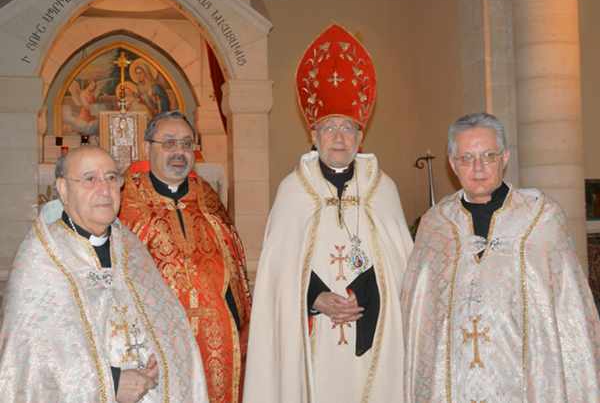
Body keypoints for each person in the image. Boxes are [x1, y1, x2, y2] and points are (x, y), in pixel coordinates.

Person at [243, 24, 414, 403]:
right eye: (329, 127)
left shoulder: (383, 190)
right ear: (313, 135)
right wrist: (315, 297)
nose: (339, 137)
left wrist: (364, 293)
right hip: (314, 336)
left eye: (348, 128)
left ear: (360, 137)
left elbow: (401, 270)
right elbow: (279, 275)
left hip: (374, 334)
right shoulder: (292, 191)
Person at [401, 112, 600, 402]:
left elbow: (571, 309)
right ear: (452, 163)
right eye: (467, 158)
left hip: (525, 380)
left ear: (504, 157)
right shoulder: (435, 225)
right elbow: (420, 317)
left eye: (488, 156)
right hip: (455, 383)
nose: (478, 167)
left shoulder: (541, 217)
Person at [0, 146, 208, 403]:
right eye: (90, 179)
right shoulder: (41, 257)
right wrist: (112, 382)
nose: (104, 189)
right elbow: (30, 361)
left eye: (111, 177)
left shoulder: (131, 247)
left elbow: (169, 330)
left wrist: (161, 367)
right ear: (63, 189)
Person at [119, 111, 251, 403]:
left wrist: (241, 325)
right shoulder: (125, 203)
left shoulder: (208, 199)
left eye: (186, 144)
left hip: (217, 339)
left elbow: (235, 268)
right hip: (158, 342)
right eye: (168, 143)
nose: (179, 152)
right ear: (147, 148)